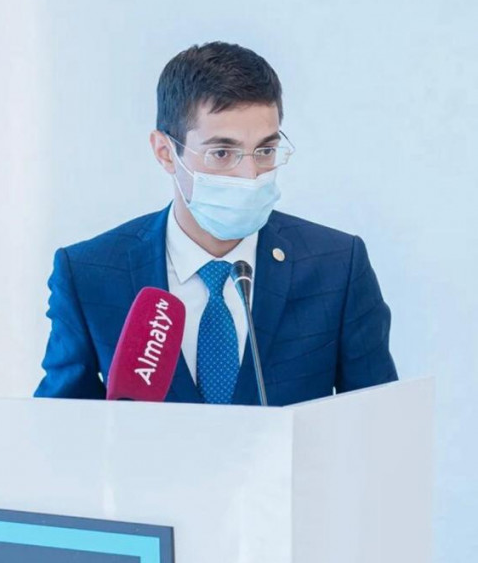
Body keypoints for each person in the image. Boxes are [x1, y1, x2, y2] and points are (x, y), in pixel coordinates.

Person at [34, 42, 397, 406]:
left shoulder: (337, 266)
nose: (250, 174)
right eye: (222, 153)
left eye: (265, 151)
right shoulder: (89, 275)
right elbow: (59, 426)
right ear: (165, 152)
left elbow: (379, 423)